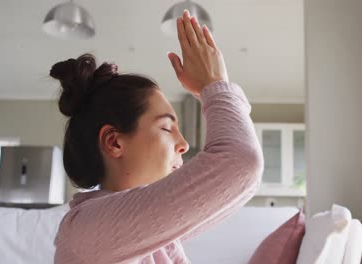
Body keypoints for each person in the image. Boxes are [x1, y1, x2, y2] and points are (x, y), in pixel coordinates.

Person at [52, 10, 263, 264]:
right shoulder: (86, 230)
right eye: (166, 128)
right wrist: (214, 86)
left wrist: (217, 88)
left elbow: (236, 190)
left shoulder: (147, 239)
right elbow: (241, 164)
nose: (183, 144)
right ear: (114, 142)